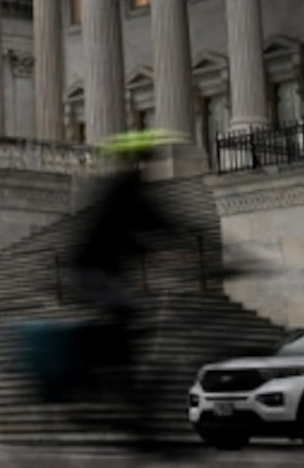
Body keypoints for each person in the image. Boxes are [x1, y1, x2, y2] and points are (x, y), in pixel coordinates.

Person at [63, 129, 189, 452]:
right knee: (128, 312)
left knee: (132, 319)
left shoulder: (131, 191)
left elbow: (164, 225)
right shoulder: (124, 190)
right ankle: (113, 388)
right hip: (88, 272)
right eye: (146, 161)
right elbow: (159, 224)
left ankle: (126, 394)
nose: (149, 167)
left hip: (104, 271)